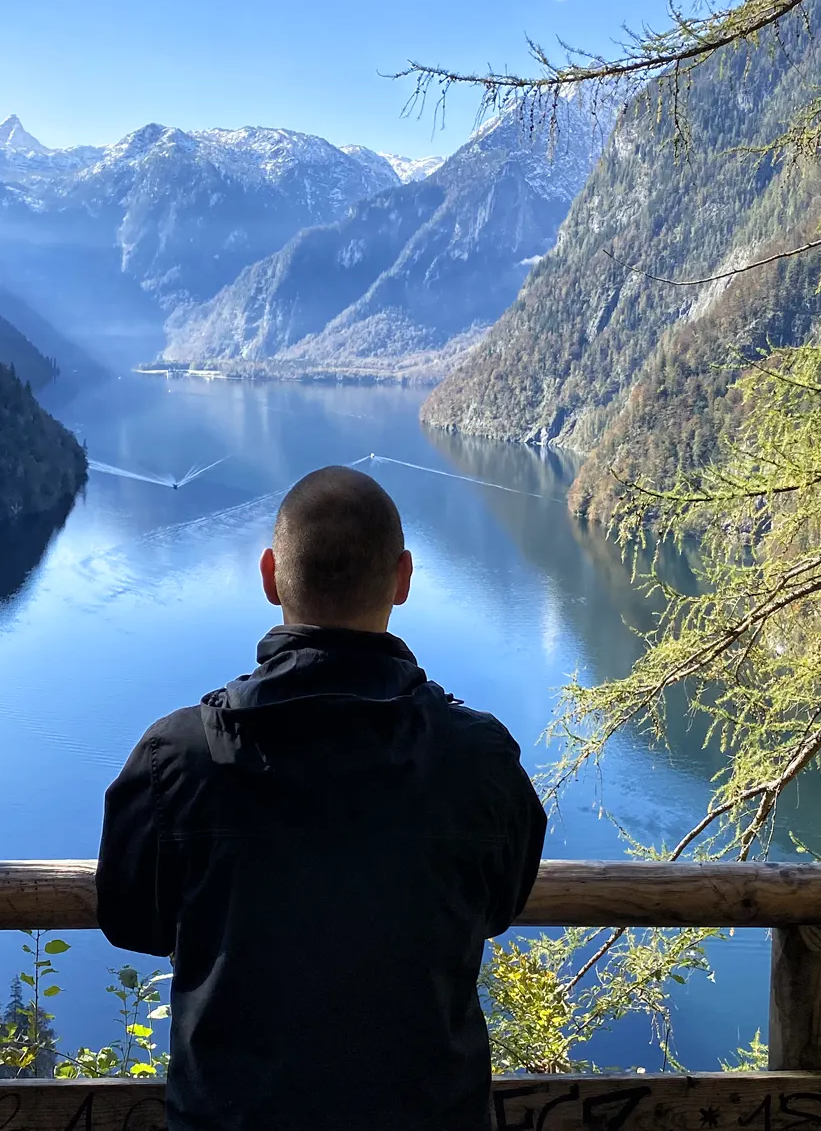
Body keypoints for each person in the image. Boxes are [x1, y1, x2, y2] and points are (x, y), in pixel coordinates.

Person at [97, 465, 547, 1131]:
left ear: (271, 574)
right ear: (403, 578)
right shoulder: (478, 759)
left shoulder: (178, 760)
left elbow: (130, 919)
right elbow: (502, 902)